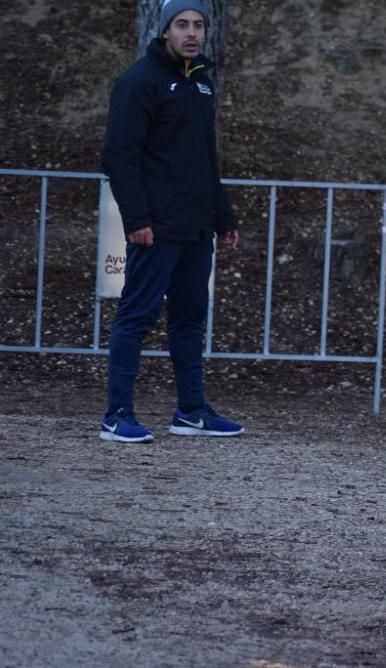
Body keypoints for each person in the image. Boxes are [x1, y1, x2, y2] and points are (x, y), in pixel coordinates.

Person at [99, 0, 243, 443]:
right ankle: (116, 415)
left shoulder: (202, 83)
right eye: (182, 24)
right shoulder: (138, 82)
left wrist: (223, 216)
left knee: (188, 320)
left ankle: (191, 412)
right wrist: (137, 218)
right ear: (164, 31)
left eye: (199, 25)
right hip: (156, 227)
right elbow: (119, 158)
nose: (192, 33)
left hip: (197, 228)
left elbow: (205, 158)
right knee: (135, 317)